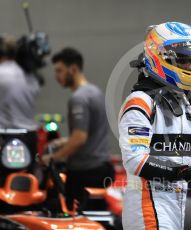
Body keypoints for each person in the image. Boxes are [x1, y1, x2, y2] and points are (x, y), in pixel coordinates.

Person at [119, 22, 191, 230]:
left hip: (176, 206)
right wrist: (182, 172)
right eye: (182, 60)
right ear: (158, 57)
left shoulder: (187, 105)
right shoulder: (141, 101)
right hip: (147, 205)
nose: (190, 67)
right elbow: (135, 161)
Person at [41, 47, 114, 210]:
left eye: (59, 71)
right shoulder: (96, 92)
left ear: (73, 69)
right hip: (103, 168)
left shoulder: (78, 98)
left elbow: (80, 138)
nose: (56, 76)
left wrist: (54, 158)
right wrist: (64, 141)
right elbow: (91, 132)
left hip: (85, 173)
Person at [0, 35, 40, 171]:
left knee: (8, 183)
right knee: (27, 182)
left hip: (9, 137)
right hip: (30, 137)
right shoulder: (31, 77)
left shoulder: (2, 74)